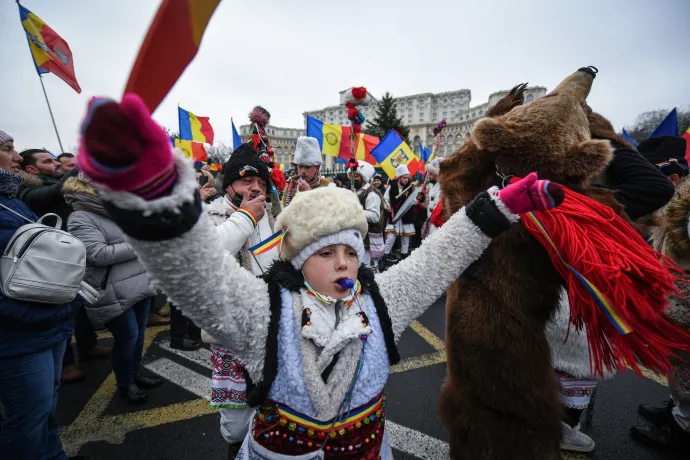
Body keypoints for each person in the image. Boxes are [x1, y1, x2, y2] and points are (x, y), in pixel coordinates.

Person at [75, 93, 564, 460]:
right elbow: (199, 273)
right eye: (324, 252)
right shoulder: (262, 310)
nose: (343, 263)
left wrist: (496, 209)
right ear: (297, 259)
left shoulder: (380, 300)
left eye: (349, 252)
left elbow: (435, 261)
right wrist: (155, 196)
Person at [546, 110, 676, 453]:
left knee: (559, 358)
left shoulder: (539, 188)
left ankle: (551, 418)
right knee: (574, 356)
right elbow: (657, 186)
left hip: (558, 294)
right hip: (578, 296)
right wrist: (608, 139)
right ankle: (560, 424)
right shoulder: (599, 202)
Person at [0, 131, 86, 460]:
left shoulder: (14, 202)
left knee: (46, 408)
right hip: (18, 333)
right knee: (27, 418)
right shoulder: (26, 198)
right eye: (7, 149)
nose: (17, 157)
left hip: (50, 321)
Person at [204, 143, 282, 458]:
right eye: (247, 181)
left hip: (267, 330)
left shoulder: (270, 216)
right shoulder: (211, 215)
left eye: (261, 184)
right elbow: (207, 258)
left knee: (270, 408)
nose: (255, 188)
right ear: (230, 185)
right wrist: (246, 218)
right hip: (231, 335)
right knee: (235, 424)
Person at [63, 173, 161, 405]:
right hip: (111, 289)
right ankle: (125, 385)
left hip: (139, 282)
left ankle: (135, 375)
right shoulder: (81, 217)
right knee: (127, 338)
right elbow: (96, 254)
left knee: (137, 337)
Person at [18, 148, 109, 383]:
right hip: (51, 263)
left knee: (79, 306)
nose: (57, 165)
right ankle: (65, 365)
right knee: (60, 308)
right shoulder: (28, 190)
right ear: (31, 169)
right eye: (49, 161)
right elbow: (58, 190)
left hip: (73, 255)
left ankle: (88, 346)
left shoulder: (60, 184)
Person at [630, 135, 690, 451]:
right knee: (678, 366)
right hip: (678, 307)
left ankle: (682, 431)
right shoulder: (676, 203)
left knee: (687, 370)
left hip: (687, 308)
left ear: (675, 179)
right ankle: (677, 413)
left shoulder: (686, 208)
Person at [350, 160, 385, 271]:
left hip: (369, 240)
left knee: (369, 270)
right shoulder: (357, 192)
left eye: (355, 175)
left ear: (362, 177)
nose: (352, 178)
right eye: (350, 175)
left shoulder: (371, 194)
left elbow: (375, 217)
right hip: (361, 238)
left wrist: (355, 211)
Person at [383, 164, 417, 262]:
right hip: (395, 216)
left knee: (405, 239)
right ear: (399, 178)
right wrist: (387, 206)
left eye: (407, 178)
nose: (406, 180)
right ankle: (384, 258)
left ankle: (404, 258)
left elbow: (414, 201)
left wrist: (414, 191)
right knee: (391, 237)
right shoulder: (392, 185)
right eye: (404, 178)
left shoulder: (411, 187)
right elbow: (386, 199)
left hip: (406, 216)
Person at [282, 136, 329, 206]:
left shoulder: (327, 188)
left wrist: (308, 193)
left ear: (317, 167)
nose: (303, 171)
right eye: (300, 166)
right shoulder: (290, 187)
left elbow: (326, 213)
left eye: (307, 167)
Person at [421, 159, 442, 237]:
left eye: (431, 173)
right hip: (430, 220)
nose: (428, 175)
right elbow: (428, 205)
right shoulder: (430, 185)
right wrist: (422, 199)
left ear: (437, 174)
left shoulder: (443, 186)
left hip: (439, 222)